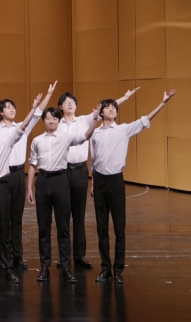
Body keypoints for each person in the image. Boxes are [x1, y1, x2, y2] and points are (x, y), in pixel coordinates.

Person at [90, 89, 176, 284]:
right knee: (102, 229)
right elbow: (93, 160)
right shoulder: (95, 133)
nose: (111, 109)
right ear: (101, 112)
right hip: (100, 181)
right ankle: (105, 269)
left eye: (114, 107)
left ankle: (118, 269)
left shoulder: (124, 129)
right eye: (107, 107)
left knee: (119, 228)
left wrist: (163, 102)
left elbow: (145, 120)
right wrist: (93, 183)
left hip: (116, 181)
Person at [55, 88, 138, 270]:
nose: (70, 104)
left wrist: (124, 98)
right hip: (62, 171)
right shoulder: (56, 123)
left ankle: (79, 256)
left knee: (79, 215)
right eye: (66, 102)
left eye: (73, 101)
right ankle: (64, 257)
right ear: (60, 106)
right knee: (62, 216)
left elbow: (105, 109)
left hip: (79, 171)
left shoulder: (84, 120)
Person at [0, 89, 47, 283]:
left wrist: (34, 107)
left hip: (4, 183)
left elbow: (25, 125)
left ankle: (7, 265)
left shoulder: (8, 137)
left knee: (6, 226)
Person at [27, 106, 98, 284]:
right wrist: (29, 188)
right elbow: (32, 164)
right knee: (44, 227)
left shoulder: (66, 137)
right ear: (44, 120)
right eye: (48, 118)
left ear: (59, 121)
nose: (51, 121)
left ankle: (66, 267)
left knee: (63, 227)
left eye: (54, 118)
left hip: (60, 180)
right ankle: (44, 267)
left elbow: (85, 136)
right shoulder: (36, 140)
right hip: (43, 181)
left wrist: (95, 120)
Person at [0, 82, 57, 270]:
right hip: (1, 174)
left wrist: (49, 94)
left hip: (18, 175)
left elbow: (37, 113)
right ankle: (2, 257)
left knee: (17, 217)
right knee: (2, 218)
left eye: (13, 107)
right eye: (8, 107)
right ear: (0, 112)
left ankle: (17, 256)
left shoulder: (22, 127)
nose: (12, 109)